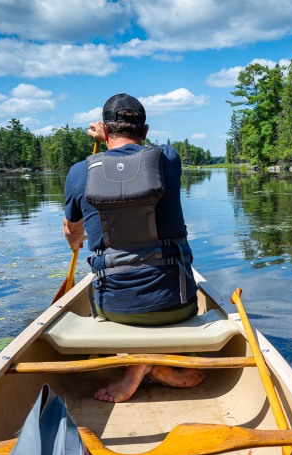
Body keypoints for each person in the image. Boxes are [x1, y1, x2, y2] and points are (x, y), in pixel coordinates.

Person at [63, 93, 205, 403]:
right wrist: (113, 133)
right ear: (146, 130)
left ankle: (138, 366)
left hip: (115, 311)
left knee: (102, 299)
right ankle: (152, 366)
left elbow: (72, 234)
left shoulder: (78, 172)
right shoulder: (168, 159)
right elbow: (145, 151)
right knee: (164, 300)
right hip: (177, 306)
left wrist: (75, 240)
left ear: (104, 128)